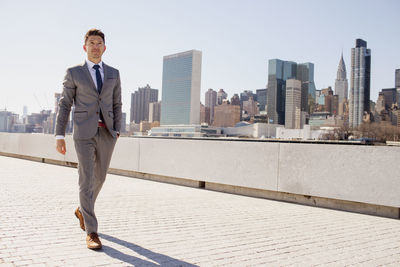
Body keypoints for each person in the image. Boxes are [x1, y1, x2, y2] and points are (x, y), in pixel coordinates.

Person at [55, 29, 122, 250]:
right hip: (83, 133)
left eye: (99, 43)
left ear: (105, 47)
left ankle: (81, 209)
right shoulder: (74, 72)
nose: (95, 46)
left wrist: (117, 130)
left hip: (107, 133)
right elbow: (64, 104)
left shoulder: (113, 73)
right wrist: (59, 134)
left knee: (100, 178)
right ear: (85, 47)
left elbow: (117, 104)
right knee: (86, 180)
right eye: (91, 43)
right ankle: (92, 232)